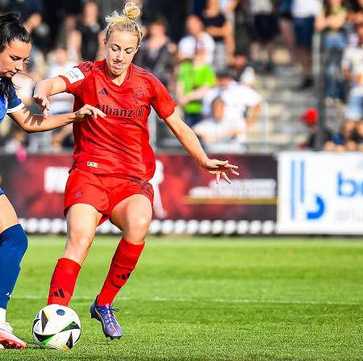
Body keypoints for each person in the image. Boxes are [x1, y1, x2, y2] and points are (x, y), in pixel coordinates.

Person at [33, 3, 239, 340]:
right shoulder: (86, 73)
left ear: (136, 50)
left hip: (131, 180)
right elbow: (52, 82)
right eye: (114, 48)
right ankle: (54, 313)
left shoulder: (148, 83)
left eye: (127, 51)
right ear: (104, 43)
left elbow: (178, 124)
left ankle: (104, 304)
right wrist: (42, 91)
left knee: (140, 223)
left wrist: (203, 160)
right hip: (89, 174)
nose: (119, 56)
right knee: (80, 239)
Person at [0, 13, 105, 349]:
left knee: (2, 250)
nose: (18, 65)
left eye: (24, 59)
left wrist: (73, 115)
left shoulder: (1, 82)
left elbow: (28, 121)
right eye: (13, 57)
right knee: (16, 241)